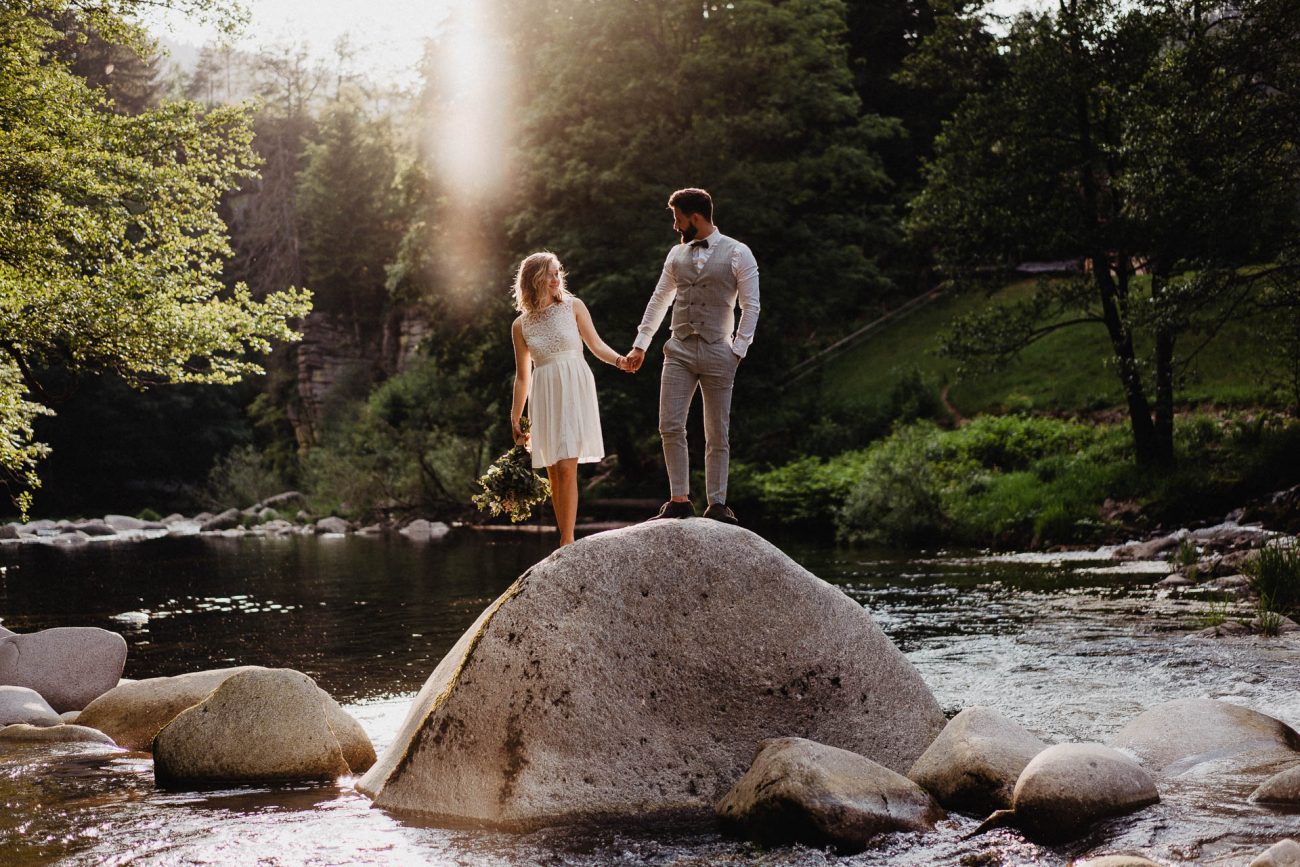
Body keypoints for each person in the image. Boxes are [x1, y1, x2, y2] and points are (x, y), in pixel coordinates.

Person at [624, 188, 759, 524]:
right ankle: (679, 499)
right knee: (670, 424)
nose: (675, 225)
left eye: (677, 217)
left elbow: (751, 305)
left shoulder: (738, 253)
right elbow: (659, 300)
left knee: (717, 431)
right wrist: (641, 343)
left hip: (719, 350)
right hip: (679, 349)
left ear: (694, 217)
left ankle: (717, 503)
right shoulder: (675, 256)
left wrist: (738, 350)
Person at [511, 251, 626, 546]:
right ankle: (563, 536)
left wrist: (620, 361)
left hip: (574, 383)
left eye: (557, 272)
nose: (556, 278)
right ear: (534, 279)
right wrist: (516, 417)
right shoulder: (520, 325)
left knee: (566, 466)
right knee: (552, 468)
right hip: (544, 389)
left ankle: (568, 540)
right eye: (550, 273)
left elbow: (596, 345)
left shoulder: (573, 307)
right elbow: (523, 375)